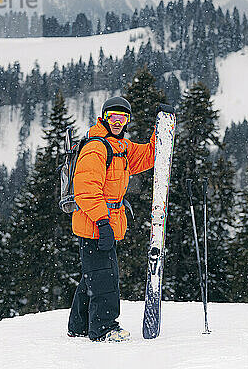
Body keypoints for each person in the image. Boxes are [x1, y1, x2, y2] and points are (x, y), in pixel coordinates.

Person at [67, 96, 173, 342]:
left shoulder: (121, 149)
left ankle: (79, 325)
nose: (117, 122)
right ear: (104, 118)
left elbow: (150, 155)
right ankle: (104, 329)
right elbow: (86, 190)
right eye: (113, 117)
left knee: (94, 275)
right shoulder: (97, 148)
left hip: (104, 224)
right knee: (105, 279)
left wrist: (162, 126)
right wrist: (102, 223)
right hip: (95, 224)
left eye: (122, 117)